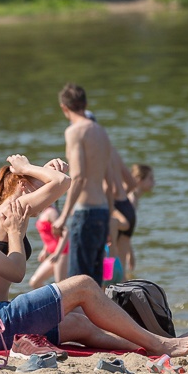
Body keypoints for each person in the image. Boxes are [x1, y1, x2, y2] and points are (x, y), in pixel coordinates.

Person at [0, 163, 188, 356]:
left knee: (76, 323)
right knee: (84, 285)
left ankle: (154, 343)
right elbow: (17, 271)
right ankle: (160, 344)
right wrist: (15, 232)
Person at [0, 155, 70, 302]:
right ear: (22, 184)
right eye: (41, 191)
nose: (45, 201)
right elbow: (62, 181)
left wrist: (44, 169)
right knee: (82, 287)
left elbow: (53, 181)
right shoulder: (13, 209)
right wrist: (26, 168)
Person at [53, 84, 116, 285]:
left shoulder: (74, 132)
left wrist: (63, 217)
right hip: (102, 211)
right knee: (95, 285)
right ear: (85, 104)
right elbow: (110, 182)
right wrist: (108, 220)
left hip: (86, 213)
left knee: (78, 284)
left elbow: (78, 177)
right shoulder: (101, 132)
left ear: (64, 107)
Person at [114, 163, 154, 277]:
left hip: (118, 244)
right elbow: (125, 232)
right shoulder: (130, 200)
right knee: (117, 274)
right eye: (150, 178)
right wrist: (130, 254)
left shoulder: (132, 198)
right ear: (138, 180)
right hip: (117, 245)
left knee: (116, 273)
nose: (154, 182)